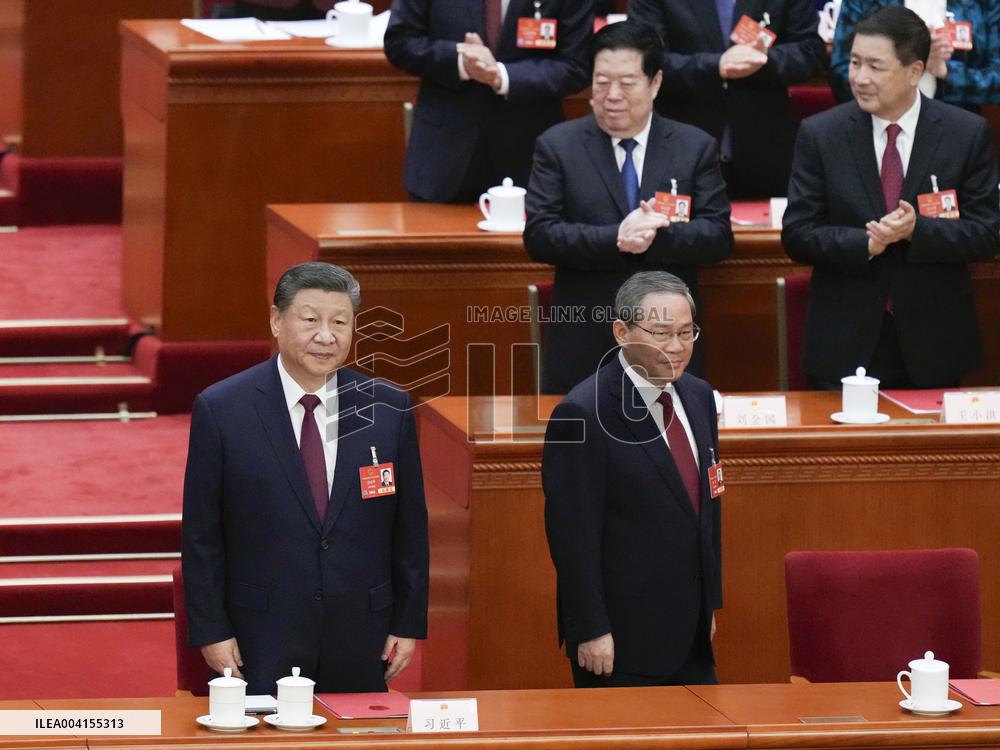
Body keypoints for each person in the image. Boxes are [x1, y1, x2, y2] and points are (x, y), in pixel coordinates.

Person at [182, 262, 429, 694]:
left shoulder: (389, 408)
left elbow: (409, 529)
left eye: (340, 322)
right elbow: (202, 535)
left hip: (362, 634)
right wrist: (211, 630)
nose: (326, 336)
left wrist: (408, 622)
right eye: (310, 319)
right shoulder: (222, 409)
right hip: (260, 634)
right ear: (277, 320)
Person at [782, 6, 1000, 389]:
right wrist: (865, 242)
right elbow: (797, 233)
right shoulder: (821, 135)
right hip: (843, 341)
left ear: (914, 71)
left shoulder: (965, 133)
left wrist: (918, 230)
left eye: (875, 67)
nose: (860, 78)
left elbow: (987, 233)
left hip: (935, 342)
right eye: (854, 63)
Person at [524, 20, 732, 395]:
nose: (612, 95)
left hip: (669, 344)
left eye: (627, 82)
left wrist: (654, 236)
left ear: (655, 83)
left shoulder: (693, 147)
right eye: (601, 82)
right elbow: (540, 235)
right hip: (584, 335)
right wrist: (617, 238)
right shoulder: (558, 146)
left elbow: (717, 237)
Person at [543, 271, 722, 688]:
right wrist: (589, 628)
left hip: (691, 632)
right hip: (620, 641)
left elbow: (708, 503)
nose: (676, 347)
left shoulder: (697, 396)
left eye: (686, 332)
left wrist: (708, 604)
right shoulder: (584, 412)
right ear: (622, 332)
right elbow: (573, 536)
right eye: (661, 333)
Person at [383, 0, 594, 203]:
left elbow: (576, 65)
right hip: (442, 159)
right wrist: (461, 62)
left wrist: (502, 76)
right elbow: (400, 41)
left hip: (528, 155)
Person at [627, 0, 824, 199]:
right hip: (682, 150)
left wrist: (763, 61)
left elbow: (810, 51)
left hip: (764, 150)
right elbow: (645, 60)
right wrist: (716, 66)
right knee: (678, 229)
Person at [829, 0, 1000, 109]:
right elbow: (840, 76)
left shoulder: (984, 4)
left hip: (957, 132)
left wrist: (946, 72)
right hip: (876, 126)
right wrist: (907, 59)